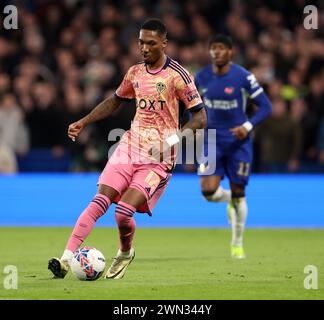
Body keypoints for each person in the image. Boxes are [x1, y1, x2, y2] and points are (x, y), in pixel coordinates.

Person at [48, 18, 206, 279]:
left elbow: (201, 119)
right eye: (141, 42)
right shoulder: (135, 73)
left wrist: (169, 143)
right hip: (130, 147)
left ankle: (125, 252)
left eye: (151, 44)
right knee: (100, 200)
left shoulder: (178, 75)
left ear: (164, 44)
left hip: (159, 158)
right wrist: (84, 121)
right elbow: (114, 101)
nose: (144, 48)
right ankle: (65, 259)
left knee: (123, 213)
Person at [195, 34, 272, 259]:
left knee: (240, 191)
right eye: (213, 48)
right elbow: (190, 107)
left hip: (239, 142)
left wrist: (247, 127)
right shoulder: (201, 77)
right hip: (212, 140)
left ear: (230, 52)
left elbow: (266, 107)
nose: (216, 52)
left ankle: (237, 243)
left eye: (221, 48)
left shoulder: (243, 77)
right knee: (208, 192)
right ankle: (229, 200)